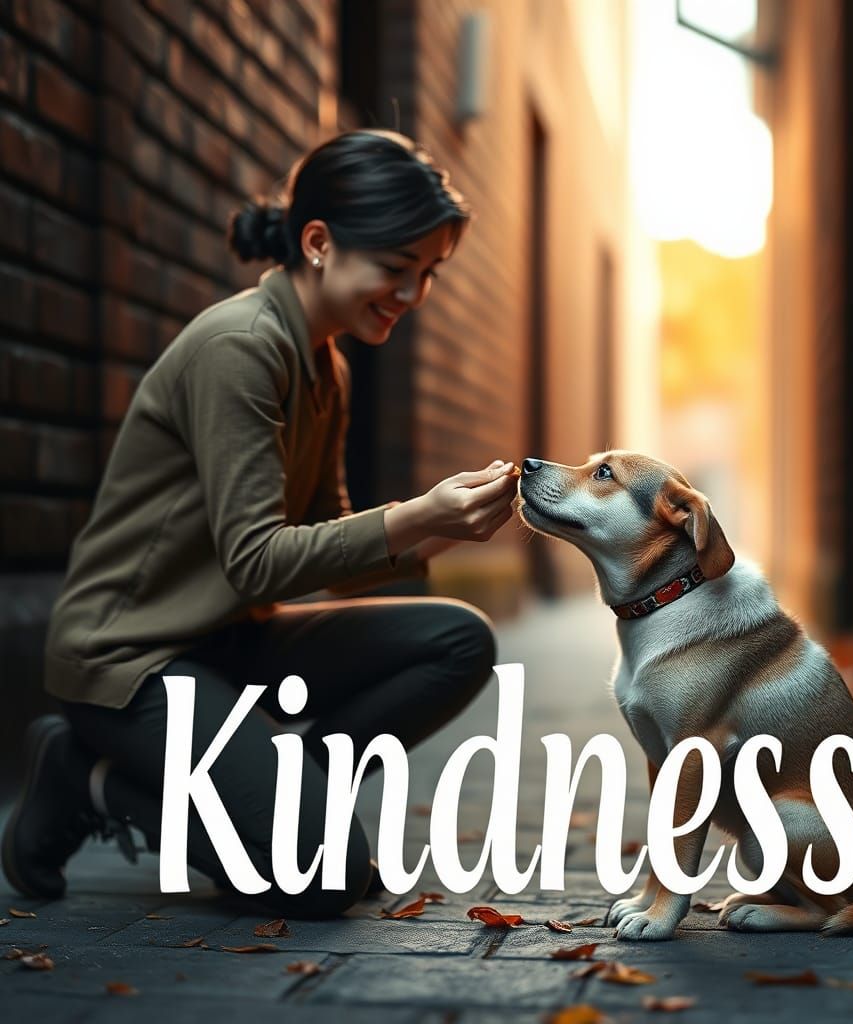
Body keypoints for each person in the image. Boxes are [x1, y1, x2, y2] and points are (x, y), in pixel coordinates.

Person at [2, 129, 518, 919]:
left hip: (225, 643)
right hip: (130, 660)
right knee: (327, 879)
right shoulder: (241, 348)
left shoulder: (327, 364)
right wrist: (413, 515)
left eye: (427, 274)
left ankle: (272, 803)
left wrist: (440, 528)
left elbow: (328, 550)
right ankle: (87, 775)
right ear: (319, 243)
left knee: (459, 641)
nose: (412, 295)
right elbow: (256, 561)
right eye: (394, 268)